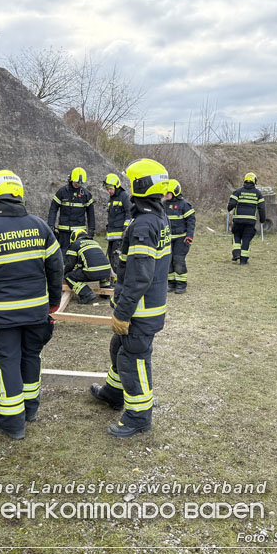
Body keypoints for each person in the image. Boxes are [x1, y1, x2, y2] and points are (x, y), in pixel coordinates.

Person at [0, 170, 63, 440]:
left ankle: (12, 424)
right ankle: (30, 411)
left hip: (2, 317)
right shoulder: (41, 226)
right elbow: (56, 267)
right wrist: (53, 301)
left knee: (7, 364)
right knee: (31, 358)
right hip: (37, 312)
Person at [89, 158, 171, 437]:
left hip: (140, 310)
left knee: (132, 359)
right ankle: (113, 393)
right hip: (145, 306)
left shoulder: (144, 224)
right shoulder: (156, 216)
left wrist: (123, 312)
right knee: (118, 349)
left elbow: (139, 276)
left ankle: (138, 417)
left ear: (139, 186)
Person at [48, 167, 96, 255]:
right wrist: (51, 224)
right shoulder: (62, 192)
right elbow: (53, 208)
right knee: (63, 254)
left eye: (80, 183)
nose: (78, 184)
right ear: (71, 179)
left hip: (79, 232)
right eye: (77, 182)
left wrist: (91, 228)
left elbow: (91, 213)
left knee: (78, 254)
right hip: (64, 232)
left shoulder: (86, 194)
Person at [164, 179, 196, 293]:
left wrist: (189, 236)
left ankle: (181, 284)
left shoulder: (184, 205)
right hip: (167, 238)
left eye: (168, 193)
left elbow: (191, 221)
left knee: (178, 260)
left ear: (175, 192)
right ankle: (171, 283)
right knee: (168, 260)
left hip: (181, 239)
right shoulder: (163, 205)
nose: (166, 195)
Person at [64, 229, 112, 305]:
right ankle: (106, 290)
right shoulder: (95, 242)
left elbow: (70, 263)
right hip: (106, 271)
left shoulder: (76, 244)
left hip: (92, 272)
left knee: (68, 276)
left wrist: (65, 273)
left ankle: (86, 293)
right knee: (99, 267)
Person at [227, 172, 265, 264]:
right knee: (246, 239)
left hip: (238, 220)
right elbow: (262, 208)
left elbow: (231, 204)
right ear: (254, 181)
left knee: (236, 236)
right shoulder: (258, 194)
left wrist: (229, 208)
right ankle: (243, 260)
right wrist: (262, 219)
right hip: (250, 221)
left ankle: (236, 254)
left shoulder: (238, 191)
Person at [102, 173, 132, 283]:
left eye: (110, 188)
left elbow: (129, 212)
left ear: (116, 186)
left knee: (116, 258)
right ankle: (119, 279)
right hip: (112, 234)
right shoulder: (112, 199)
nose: (109, 191)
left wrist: (126, 228)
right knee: (111, 257)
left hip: (120, 234)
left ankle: (122, 280)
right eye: (107, 189)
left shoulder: (123, 196)